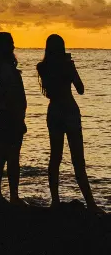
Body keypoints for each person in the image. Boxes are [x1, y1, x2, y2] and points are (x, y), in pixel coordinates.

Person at [37, 34, 99, 210]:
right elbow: (80, 89)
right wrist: (71, 69)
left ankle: (55, 201)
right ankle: (91, 204)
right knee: (78, 160)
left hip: (54, 111)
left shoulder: (42, 67)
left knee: (55, 158)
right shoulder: (67, 66)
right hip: (70, 111)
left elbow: (49, 92)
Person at [0, 32, 26, 203]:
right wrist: (18, 118)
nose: (13, 46)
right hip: (9, 113)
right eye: (10, 43)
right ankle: (12, 196)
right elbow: (11, 93)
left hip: (4, 111)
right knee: (11, 156)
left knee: (2, 154)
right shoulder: (4, 68)